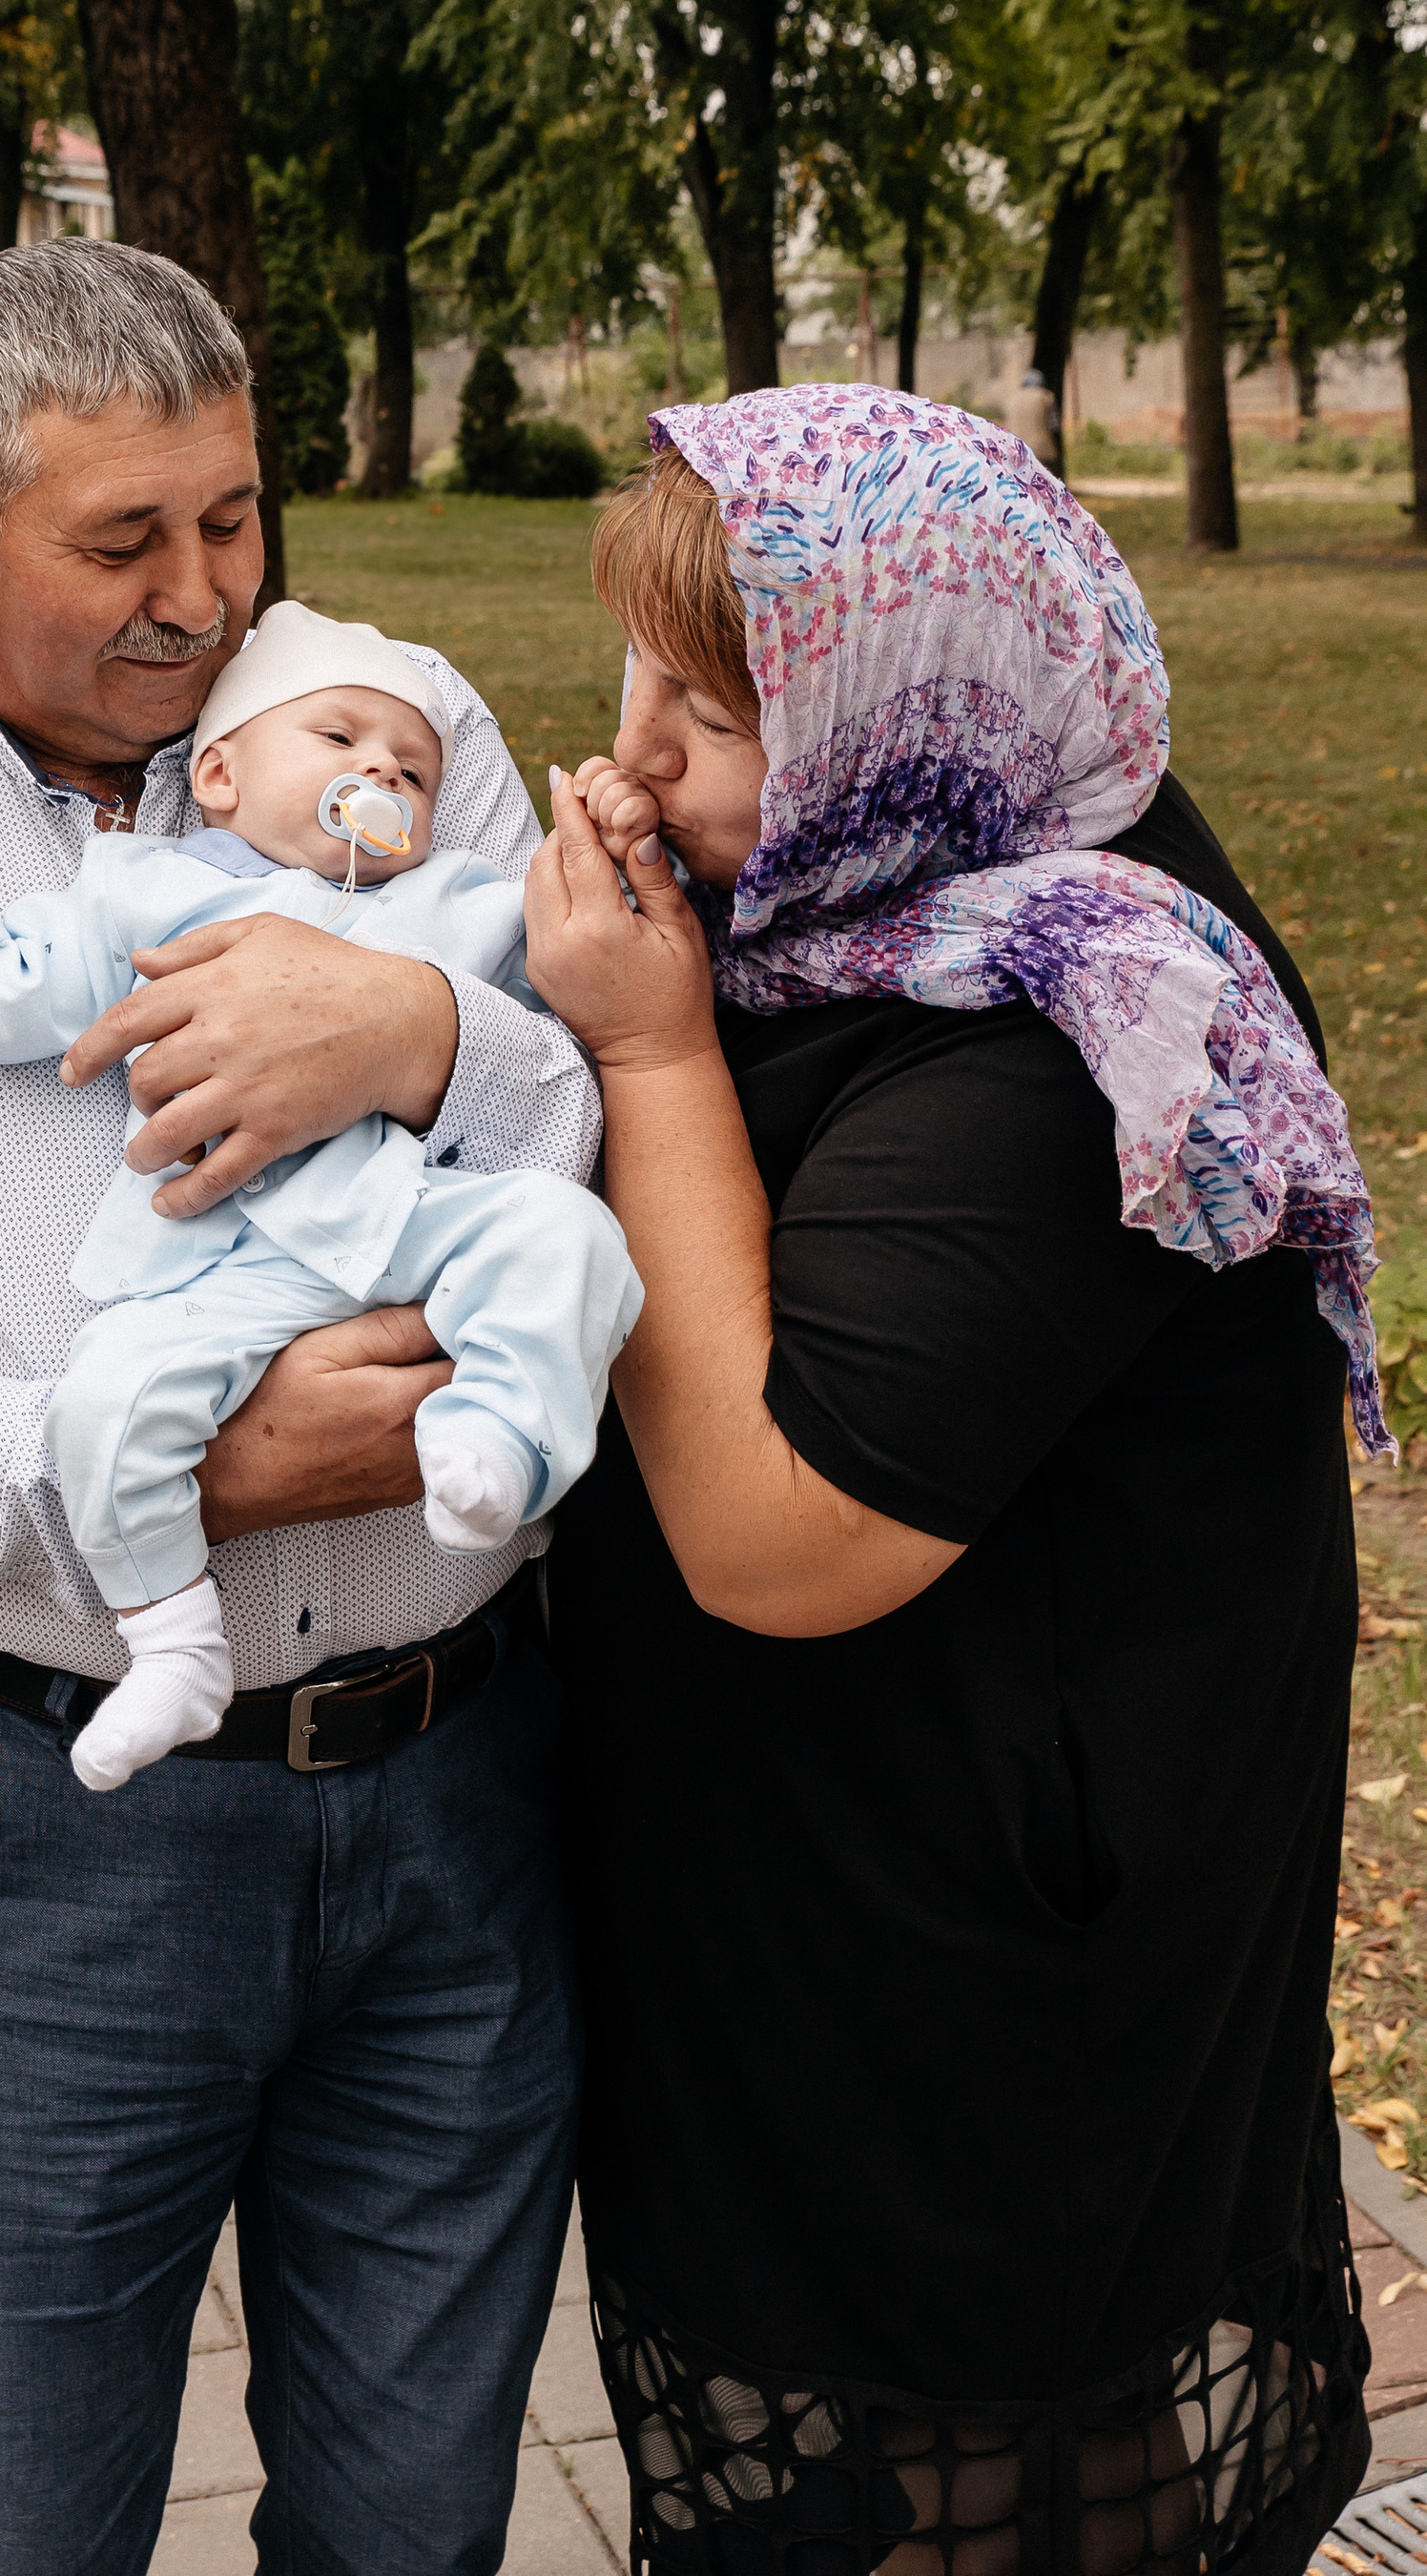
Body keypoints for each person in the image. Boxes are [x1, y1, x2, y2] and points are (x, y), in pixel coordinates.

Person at [0, 240, 604, 2576]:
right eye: (121, 541)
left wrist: (411, 1042)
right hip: (44, 1831)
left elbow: (588, 1105)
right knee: (11, 2526)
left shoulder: (391, 718)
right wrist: (183, 1477)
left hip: (452, 1791)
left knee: (413, 2526)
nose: (201, 598)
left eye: (232, 514)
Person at [522, 385, 1376, 2576]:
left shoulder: (1059, 1034)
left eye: (707, 717)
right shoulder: (885, 909)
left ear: (901, 729)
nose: (628, 768)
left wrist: (634, 1049)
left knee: (1009, 2482)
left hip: (985, 2027)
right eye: (635, 683)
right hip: (850, 1948)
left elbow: (770, 1528)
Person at [0, 595, 640, 1788]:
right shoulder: (148, 894)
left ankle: (497, 1435)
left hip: (402, 1223)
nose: (379, 770)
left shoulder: (453, 900)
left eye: (411, 767)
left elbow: (562, 1027)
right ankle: (172, 1647)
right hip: (220, 1261)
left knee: (565, 1237)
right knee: (105, 1407)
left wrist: (609, 855)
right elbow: (6, 1005)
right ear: (221, 776)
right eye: (337, 739)